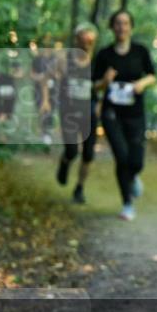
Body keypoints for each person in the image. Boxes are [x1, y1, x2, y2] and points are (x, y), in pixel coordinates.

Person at [93, 9, 156, 221]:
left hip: (135, 112)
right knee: (121, 156)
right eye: (118, 23)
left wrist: (141, 84)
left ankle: (134, 175)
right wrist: (104, 82)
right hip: (112, 113)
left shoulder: (140, 52)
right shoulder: (104, 55)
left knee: (136, 160)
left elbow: (152, 76)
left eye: (125, 23)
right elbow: (94, 86)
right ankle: (127, 203)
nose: (121, 27)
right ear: (112, 27)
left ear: (131, 27)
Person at [56, 23, 98, 204]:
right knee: (72, 150)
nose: (87, 43)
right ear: (76, 40)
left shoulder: (97, 63)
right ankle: (65, 161)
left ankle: (80, 188)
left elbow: (100, 87)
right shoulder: (66, 59)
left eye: (90, 40)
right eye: (83, 39)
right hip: (69, 113)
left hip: (89, 113)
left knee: (88, 154)